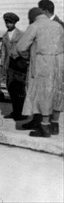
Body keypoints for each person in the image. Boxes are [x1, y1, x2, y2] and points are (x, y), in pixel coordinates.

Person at [16, 7, 64, 137]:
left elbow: (21, 47)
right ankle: (55, 125)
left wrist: (27, 57)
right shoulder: (57, 25)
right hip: (59, 61)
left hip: (43, 62)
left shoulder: (35, 26)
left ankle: (45, 127)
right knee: (57, 92)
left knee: (44, 93)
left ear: (32, 17)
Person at [1, 12, 27, 121]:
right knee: (11, 87)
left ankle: (22, 112)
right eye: (7, 22)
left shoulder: (21, 34)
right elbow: (3, 51)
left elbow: (26, 47)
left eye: (10, 23)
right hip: (10, 64)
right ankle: (15, 111)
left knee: (20, 89)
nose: (8, 25)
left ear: (15, 23)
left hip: (20, 63)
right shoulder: (5, 36)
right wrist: (3, 63)